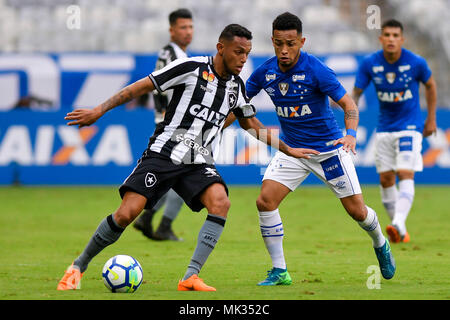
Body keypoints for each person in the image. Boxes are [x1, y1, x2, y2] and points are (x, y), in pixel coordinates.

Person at [57, 23, 318, 292]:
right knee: (126, 215)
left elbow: (251, 124)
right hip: (165, 152)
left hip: (198, 158)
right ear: (221, 48)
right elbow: (141, 86)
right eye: (238, 52)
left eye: (247, 54)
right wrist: (99, 110)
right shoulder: (191, 67)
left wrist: (288, 149)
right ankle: (77, 267)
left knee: (220, 203)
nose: (243, 59)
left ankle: (190, 277)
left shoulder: (236, 88)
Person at [245, 12, 396, 286]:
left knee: (357, 212)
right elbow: (239, 103)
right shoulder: (264, 72)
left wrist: (350, 135)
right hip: (293, 151)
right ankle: (280, 271)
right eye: (279, 43)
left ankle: (380, 242)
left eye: (290, 43)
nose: (284, 50)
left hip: (328, 151)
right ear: (272, 41)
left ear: (301, 41)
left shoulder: (317, 70)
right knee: (265, 201)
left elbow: (349, 105)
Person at [352, 19, 437, 243]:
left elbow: (430, 85)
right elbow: (356, 93)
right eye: (387, 35)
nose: (391, 39)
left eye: (395, 35)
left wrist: (431, 119)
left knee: (405, 172)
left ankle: (397, 223)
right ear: (381, 39)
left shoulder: (416, 62)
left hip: (410, 126)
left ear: (402, 39)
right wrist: (347, 111)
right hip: (384, 127)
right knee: (386, 179)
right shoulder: (370, 63)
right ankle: (400, 229)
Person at [133, 8, 194, 241]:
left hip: (168, 123)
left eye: (190, 27)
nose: (188, 32)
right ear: (171, 30)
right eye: (182, 27)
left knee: (174, 176)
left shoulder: (170, 54)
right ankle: (162, 224)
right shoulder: (175, 57)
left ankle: (149, 218)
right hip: (177, 125)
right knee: (186, 173)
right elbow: (171, 91)